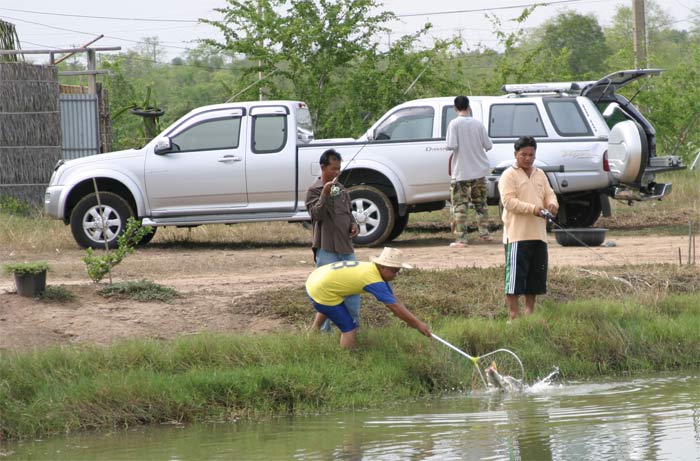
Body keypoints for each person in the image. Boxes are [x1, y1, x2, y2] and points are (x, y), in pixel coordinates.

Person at [306, 247, 432, 349]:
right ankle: (348, 360)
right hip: (319, 289)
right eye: (394, 271)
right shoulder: (373, 280)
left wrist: (415, 321)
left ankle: (312, 335)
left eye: (398, 271)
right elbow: (394, 307)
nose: (396, 275)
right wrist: (418, 325)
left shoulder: (373, 269)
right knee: (349, 328)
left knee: (331, 306)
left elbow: (394, 300)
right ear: (383, 267)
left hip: (315, 279)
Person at [498, 136, 559, 321]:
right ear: (515, 154)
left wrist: (552, 205)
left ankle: (530, 314)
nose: (528, 158)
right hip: (517, 235)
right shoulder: (509, 175)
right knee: (515, 279)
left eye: (531, 154)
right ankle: (514, 315)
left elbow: (550, 194)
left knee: (535, 278)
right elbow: (509, 202)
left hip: (539, 235)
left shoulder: (540, 174)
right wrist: (533, 209)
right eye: (523, 154)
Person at [305, 148, 360, 331]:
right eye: (333, 169)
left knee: (353, 289)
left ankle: (352, 329)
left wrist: (354, 225)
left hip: (346, 247)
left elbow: (348, 214)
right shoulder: (314, 190)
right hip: (326, 248)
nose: (337, 173)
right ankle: (323, 334)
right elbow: (316, 215)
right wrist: (325, 194)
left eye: (339, 169)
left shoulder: (342, 189)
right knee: (327, 293)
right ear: (323, 167)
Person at [446, 95, 493, 248]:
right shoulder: (478, 124)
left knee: (460, 205)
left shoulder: (454, 124)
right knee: (481, 204)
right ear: (469, 107)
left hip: (461, 172)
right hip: (479, 170)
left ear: (455, 108)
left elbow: (451, 145)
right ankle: (484, 234)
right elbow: (488, 145)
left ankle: (461, 238)